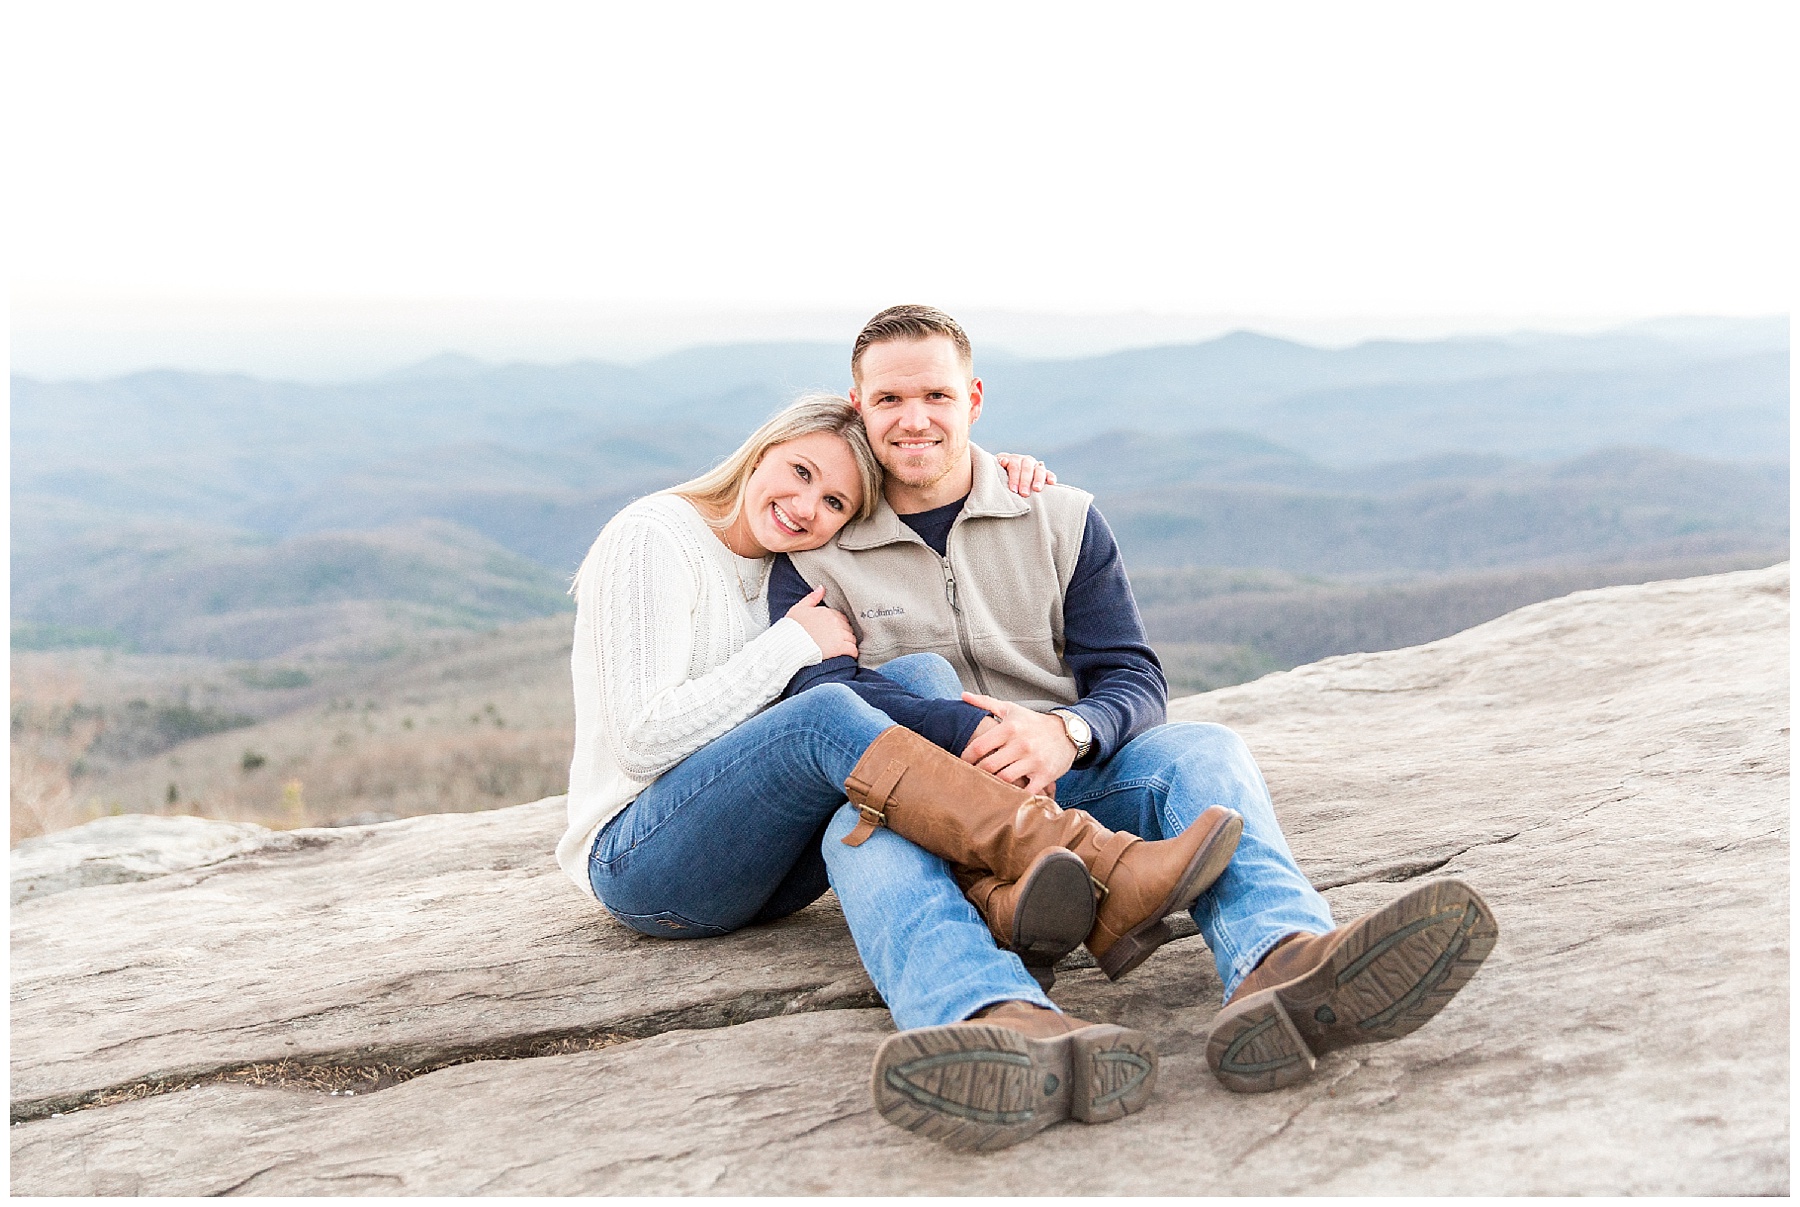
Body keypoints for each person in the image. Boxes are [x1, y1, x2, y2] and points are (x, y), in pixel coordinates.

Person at [769, 305, 1501, 1138]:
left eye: (935, 393)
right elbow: (820, 696)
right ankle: (1001, 1021)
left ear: (972, 398)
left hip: (1071, 778)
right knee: (853, 832)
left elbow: (1131, 673)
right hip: (929, 809)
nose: (914, 417)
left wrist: (1067, 732)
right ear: (858, 406)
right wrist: (965, 739)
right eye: (890, 398)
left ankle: (1283, 961)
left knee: (1202, 747)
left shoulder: (1062, 515)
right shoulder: (813, 544)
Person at [559, 394, 1240, 1153]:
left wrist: (1000, 468)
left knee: (914, 675)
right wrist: (790, 646)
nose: (804, 505)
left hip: (757, 861)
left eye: (834, 501)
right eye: (800, 471)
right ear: (762, 449)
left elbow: (923, 467)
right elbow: (641, 741)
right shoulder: (654, 534)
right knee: (827, 711)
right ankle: (1090, 861)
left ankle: (1001, 952)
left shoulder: (779, 564)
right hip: (645, 860)